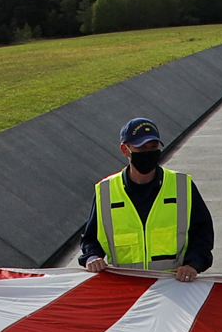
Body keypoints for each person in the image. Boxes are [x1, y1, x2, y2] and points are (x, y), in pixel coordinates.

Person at [77, 117, 214, 279]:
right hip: (127, 285)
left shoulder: (182, 186)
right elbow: (91, 239)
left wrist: (193, 264)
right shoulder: (106, 191)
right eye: (141, 148)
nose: (148, 152)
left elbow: (202, 234)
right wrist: (92, 257)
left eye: (153, 147)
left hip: (173, 284)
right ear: (125, 149)